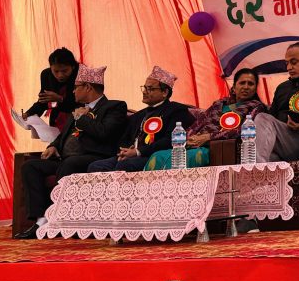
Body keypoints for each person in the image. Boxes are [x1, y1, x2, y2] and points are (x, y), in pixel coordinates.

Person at [14, 64, 128, 239]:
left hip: (94, 158)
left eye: (76, 87)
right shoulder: (76, 108)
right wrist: (53, 146)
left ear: (88, 87)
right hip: (65, 159)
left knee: (70, 163)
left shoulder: (114, 107)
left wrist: (82, 118)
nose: (73, 91)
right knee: (30, 166)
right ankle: (40, 219)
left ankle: (57, 217)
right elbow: (62, 136)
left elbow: (104, 133)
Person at [145, 68, 267, 170]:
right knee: (158, 156)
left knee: (193, 156)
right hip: (196, 143)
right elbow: (198, 123)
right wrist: (188, 138)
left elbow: (241, 131)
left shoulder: (256, 108)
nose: (246, 87)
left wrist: (208, 137)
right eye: (242, 83)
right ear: (234, 87)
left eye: (250, 84)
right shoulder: (219, 104)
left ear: (255, 88)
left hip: (216, 148)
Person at [88, 66, 193, 173]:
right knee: (96, 166)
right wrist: (125, 151)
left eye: (150, 89)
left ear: (165, 92)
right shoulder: (138, 115)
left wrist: (138, 151)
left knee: (125, 165)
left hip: (154, 156)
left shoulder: (176, 110)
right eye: (144, 88)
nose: (144, 92)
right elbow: (124, 139)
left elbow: (169, 140)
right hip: (131, 156)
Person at [24, 48, 79, 131]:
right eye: (56, 71)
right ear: (50, 68)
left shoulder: (81, 75)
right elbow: (43, 102)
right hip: (56, 122)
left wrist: (60, 99)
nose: (60, 75)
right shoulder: (46, 75)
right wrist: (28, 114)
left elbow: (81, 105)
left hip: (78, 123)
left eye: (64, 71)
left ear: (73, 67)